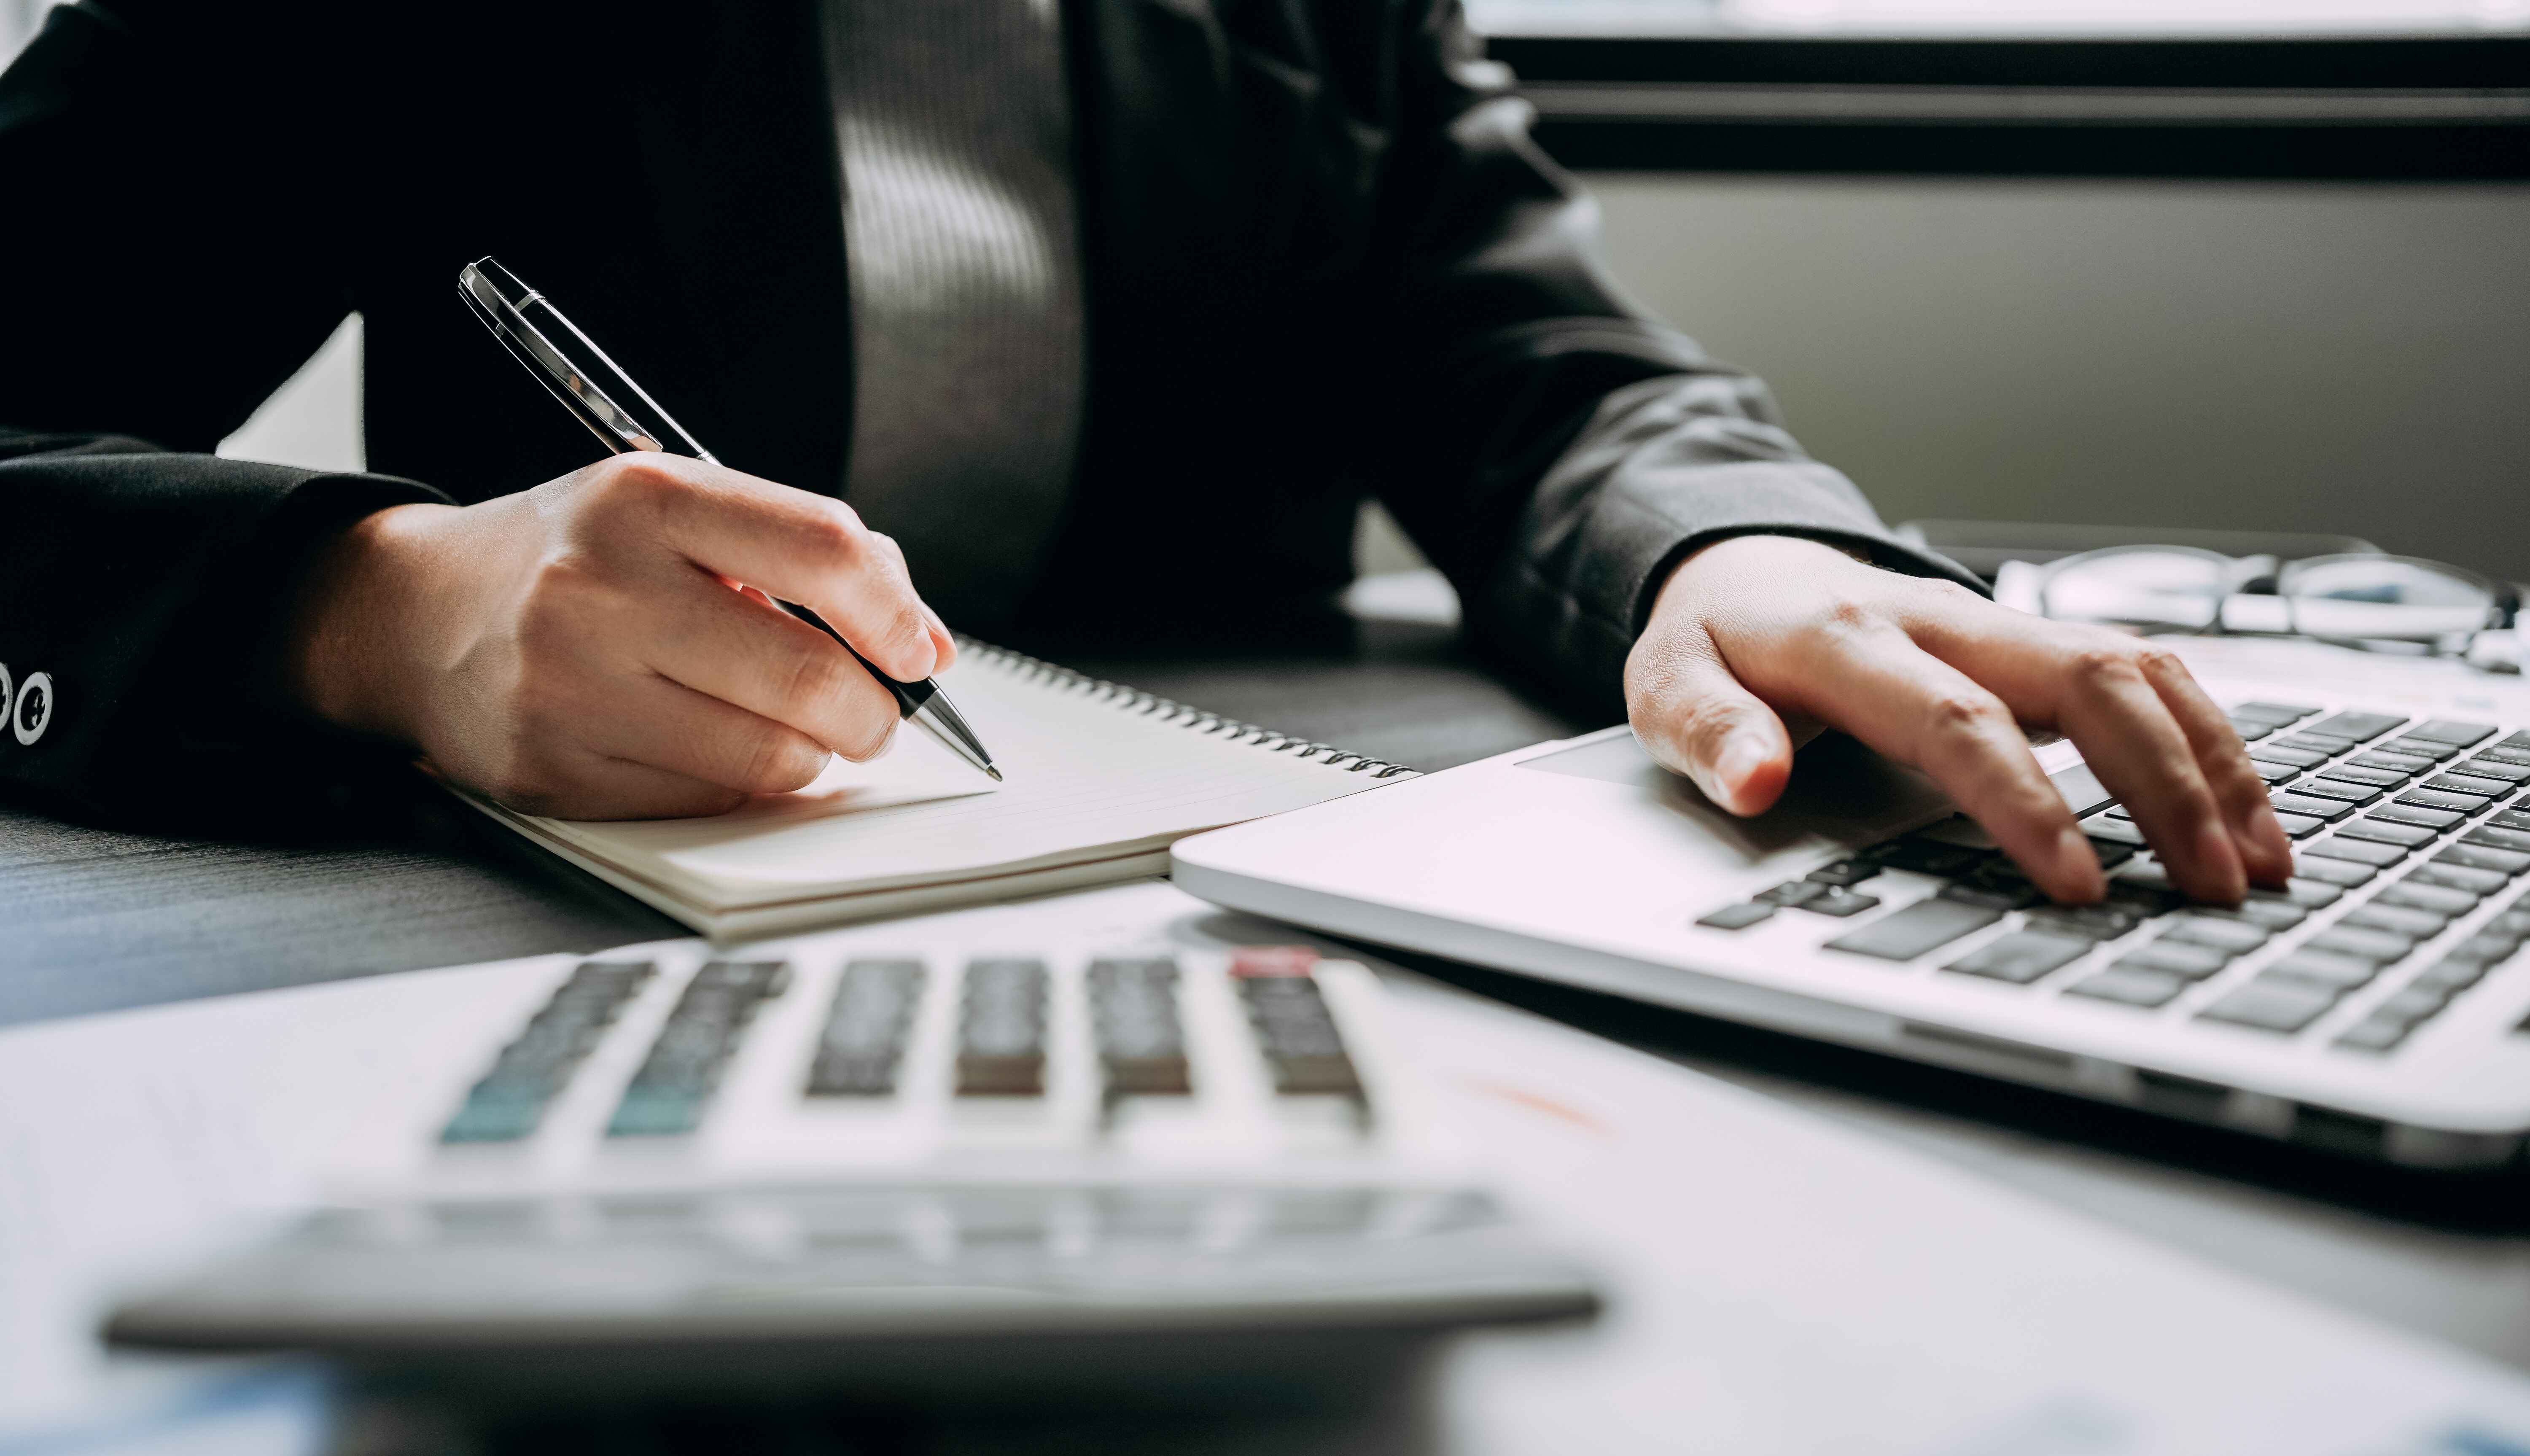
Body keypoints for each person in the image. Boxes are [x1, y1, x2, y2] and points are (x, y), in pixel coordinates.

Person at [0, 0, 2286, 907]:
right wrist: (375, 610)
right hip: (559, 935)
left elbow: (1552, 376)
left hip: (1272, 910)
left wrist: (1734, 558)